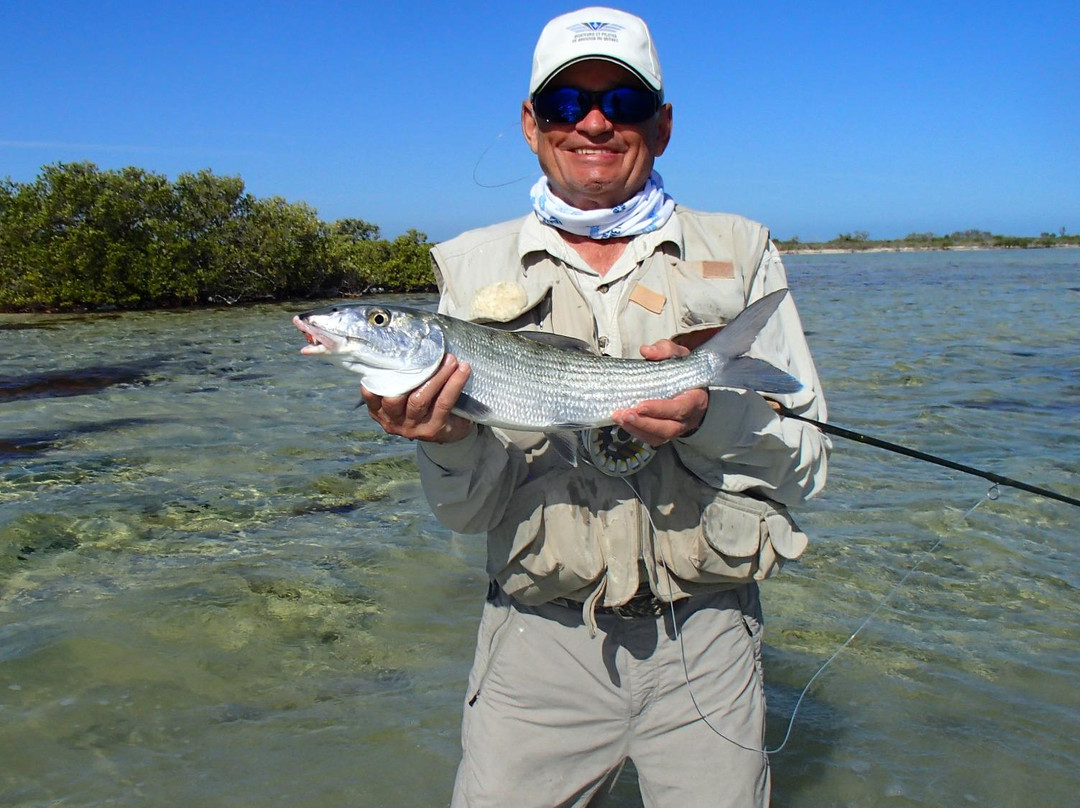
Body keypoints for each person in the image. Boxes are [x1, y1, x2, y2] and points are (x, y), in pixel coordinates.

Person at [362, 7, 828, 807]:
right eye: (567, 104)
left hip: (707, 640)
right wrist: (442, 442)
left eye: (626, 103)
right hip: (536, 650)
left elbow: (807, 464)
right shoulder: (468, 268)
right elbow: (470, 514)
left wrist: (705, 417)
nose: (596, 124)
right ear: (531, 123)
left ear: (664, 123)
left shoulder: (743, 250)